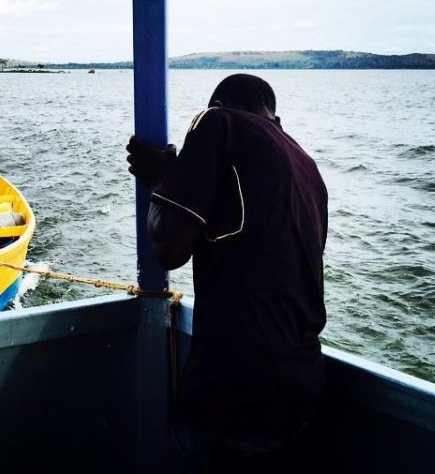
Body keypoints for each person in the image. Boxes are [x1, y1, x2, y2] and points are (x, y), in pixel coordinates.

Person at [126, 74, 328, 472]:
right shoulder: (307, 165)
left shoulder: (218, 122)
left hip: (240, 385)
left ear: (219, 104)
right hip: (302, 382)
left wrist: (162, 178)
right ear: (275, 118)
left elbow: (169, 248)